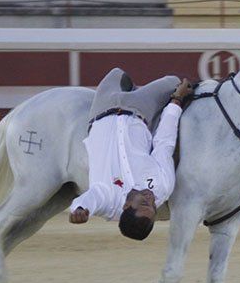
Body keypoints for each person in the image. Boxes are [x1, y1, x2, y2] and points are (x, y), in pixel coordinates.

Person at [69, 68, 193, 241]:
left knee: (116, 73)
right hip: (139, 109)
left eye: (144, 203)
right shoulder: (162, 186)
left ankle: (134, 87)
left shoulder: (108, 199)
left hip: (103, 107)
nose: (151, 199)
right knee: (173, 82)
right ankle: (140, 91)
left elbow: (89, 200)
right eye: (154, 207)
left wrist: (79, 210)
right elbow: (164, 143)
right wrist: (176, 100)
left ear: (126, 206)